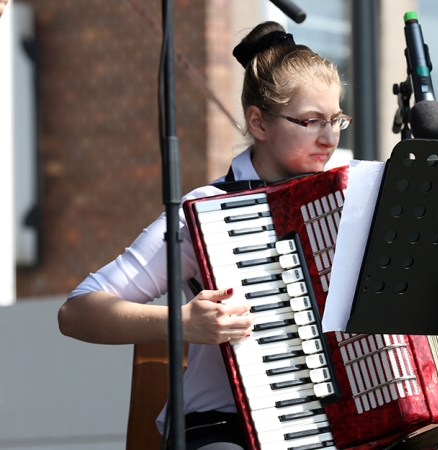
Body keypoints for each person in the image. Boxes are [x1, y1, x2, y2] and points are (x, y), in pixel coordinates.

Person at [57, 21, 351, 450]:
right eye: (311, 121)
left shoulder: (352, 202)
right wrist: (182, 323)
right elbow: (77, 311)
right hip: (223, 428)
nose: (329, 138)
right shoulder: (207, 211)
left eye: (336, 119)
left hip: (339, 425)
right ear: (259, 123)